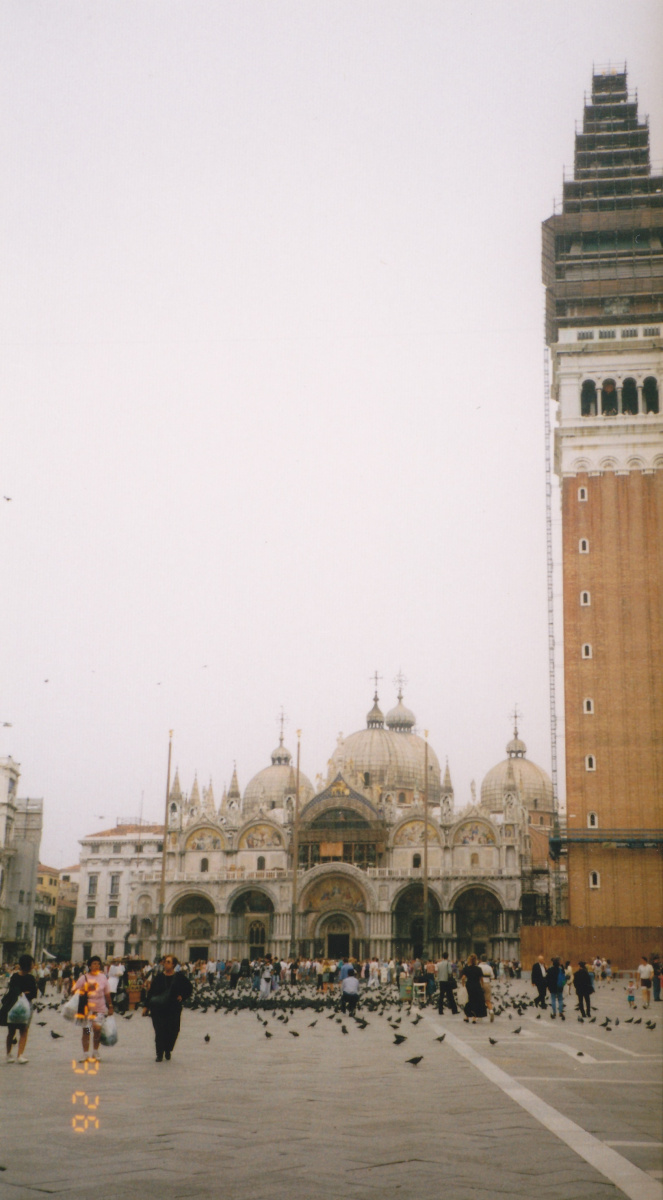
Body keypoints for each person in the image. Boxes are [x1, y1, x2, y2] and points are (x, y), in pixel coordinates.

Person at [143, 955, 192, 1062]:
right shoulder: (159, 977)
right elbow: (151, 992)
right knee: (159, 1031)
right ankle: (159, 1053)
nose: (165, 964)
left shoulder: (179, 977)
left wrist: (182, 996)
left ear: (174, 964)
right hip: (158, 1009)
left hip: (173, 1008)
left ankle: (168, 1049)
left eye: (168, 962)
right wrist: (146, 1006)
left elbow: (189, 988)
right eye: (165, 962)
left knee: (173, 1030)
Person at [72, 955, 113, 1062]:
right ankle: (85, 1054)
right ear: (89, 966)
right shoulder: (84, 977)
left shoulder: (103, 977)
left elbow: (107, 993)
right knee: (86, 1030)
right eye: (94, 964)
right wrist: (85, 988)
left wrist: (110, 1006)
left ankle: (95, 1051)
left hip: (99, 1008)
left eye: (98, 964)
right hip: (87, 1009)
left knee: (97, 1029)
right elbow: (73, 990)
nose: (96, 966)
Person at [1, 954, 37, 1064]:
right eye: (32, 963)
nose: (33, 965)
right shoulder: (22, 978)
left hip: (20, 1005)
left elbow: (33, 993)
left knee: (19, 1030)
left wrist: (22, 993)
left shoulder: (21, 977)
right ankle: (14, 1054)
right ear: (28, 964)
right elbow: (20, 992)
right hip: (18, 1006)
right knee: (17, 1030)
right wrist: (25, 993)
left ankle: (15, 1054)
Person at [460, 954, 487, 1024]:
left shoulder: (466, 968)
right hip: (477, 985)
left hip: (469, 985)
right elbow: (481, 979)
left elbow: (463, 978)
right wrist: (482, 986)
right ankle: (474, 1018)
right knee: (476, 1001)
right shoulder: (478, 969)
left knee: (468, 1000)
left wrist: (463, 985)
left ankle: (467, 1016)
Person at [479, 956, 495, 1023]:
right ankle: (491, 1011)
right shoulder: (489, 967)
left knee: (479, 1000)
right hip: (487, 984)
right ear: (486, 960)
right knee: (488, 1000)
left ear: (480, 959)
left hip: (479, 984)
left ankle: (479, 1016)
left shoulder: (478, 967)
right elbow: (493, 977)